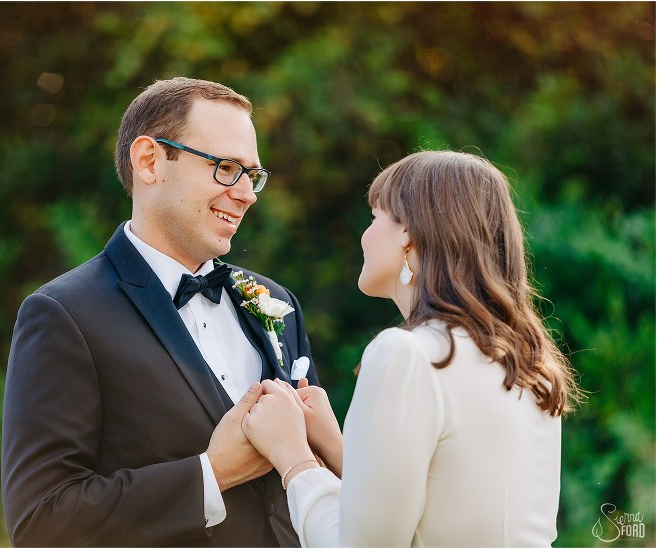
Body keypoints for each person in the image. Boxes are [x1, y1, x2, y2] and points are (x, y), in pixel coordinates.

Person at [1, 77, 319, 547]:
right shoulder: (64, 315)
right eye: (227, 167)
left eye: (252, 175)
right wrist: (211, 475)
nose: (247, 193)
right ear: (149, 161)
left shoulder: (277, 304)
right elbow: (42, 521)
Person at [241, 150, 582, 547]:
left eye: (374, 218)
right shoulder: (526, 363)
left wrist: (292, 457)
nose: (364, 235)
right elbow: (443, 502)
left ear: (408, 233)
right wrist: (335, 448)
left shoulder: (408, 354)